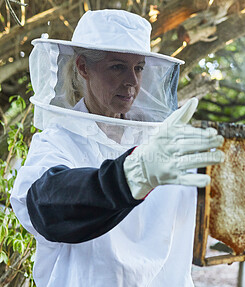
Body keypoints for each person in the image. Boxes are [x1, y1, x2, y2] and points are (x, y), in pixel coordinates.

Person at [11, 10, 224, 287]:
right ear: (83, 67)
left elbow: (209, 219)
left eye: (138, 68)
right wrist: (130, 176)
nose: (133, 82)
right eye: (117, 67)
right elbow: (45, 206)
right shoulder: (58, 141)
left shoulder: (160, 144)